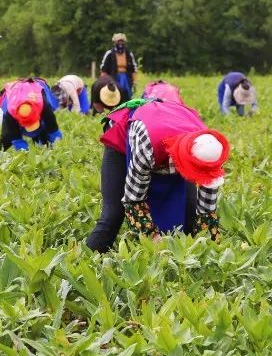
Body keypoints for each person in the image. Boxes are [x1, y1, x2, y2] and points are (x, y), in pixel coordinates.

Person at [85, 98, 230, 252]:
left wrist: (211, 246)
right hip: (126, 135)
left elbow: (207, 209)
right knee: (113, 214)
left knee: (189, 213)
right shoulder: (147, 143)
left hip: (171, 138)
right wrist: (151, 237)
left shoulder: (209, 149)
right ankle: (86, 261)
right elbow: (133, 199)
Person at [0, 77, 62, 150]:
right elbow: (16, 138)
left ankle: (41, 140)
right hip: (13, 95)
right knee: (7, 136)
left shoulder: (44, 105)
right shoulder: (9, 114)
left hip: (34, 92)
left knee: (44, 132)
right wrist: (23, 151)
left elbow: (52, 126)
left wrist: (57, 140)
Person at [100, 33, 137, 100]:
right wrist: (104, 80)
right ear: (115, 42)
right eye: (118, 41)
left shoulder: (129, 53)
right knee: (115, 93)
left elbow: (133, 68)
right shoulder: (110, 53)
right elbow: (104, 68)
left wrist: (134, 81)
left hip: (126, 77)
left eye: (122, 41)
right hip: (114, 77)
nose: (120, 43)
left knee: (127, 94)